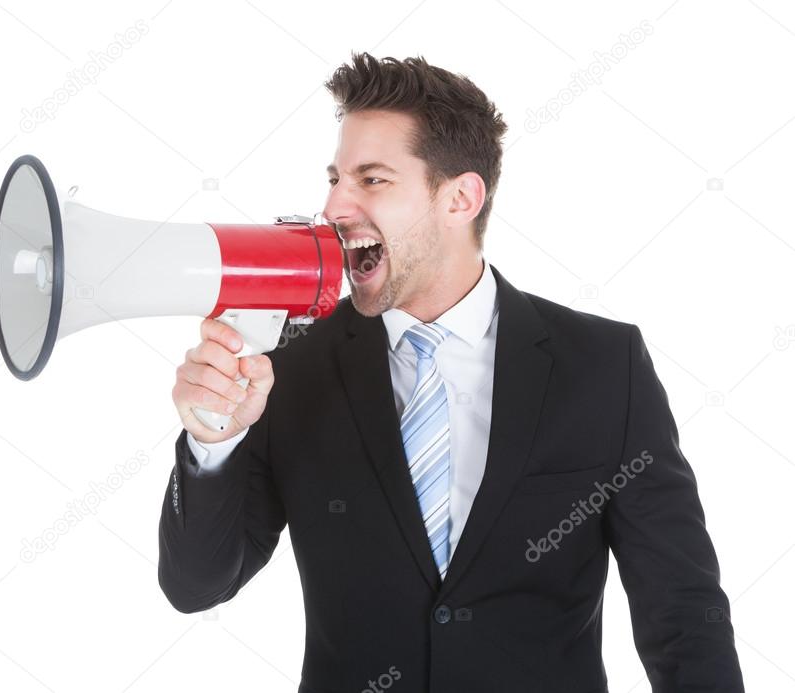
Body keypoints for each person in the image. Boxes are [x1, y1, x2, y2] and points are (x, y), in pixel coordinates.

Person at [159, 52, 744, 692]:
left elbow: (683, 614)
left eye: (372, 179)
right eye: (334, 177)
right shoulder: (289, 364)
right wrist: (214, 442)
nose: (333, 205)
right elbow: (196, 585)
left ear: (460, 197)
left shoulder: (603, 366)